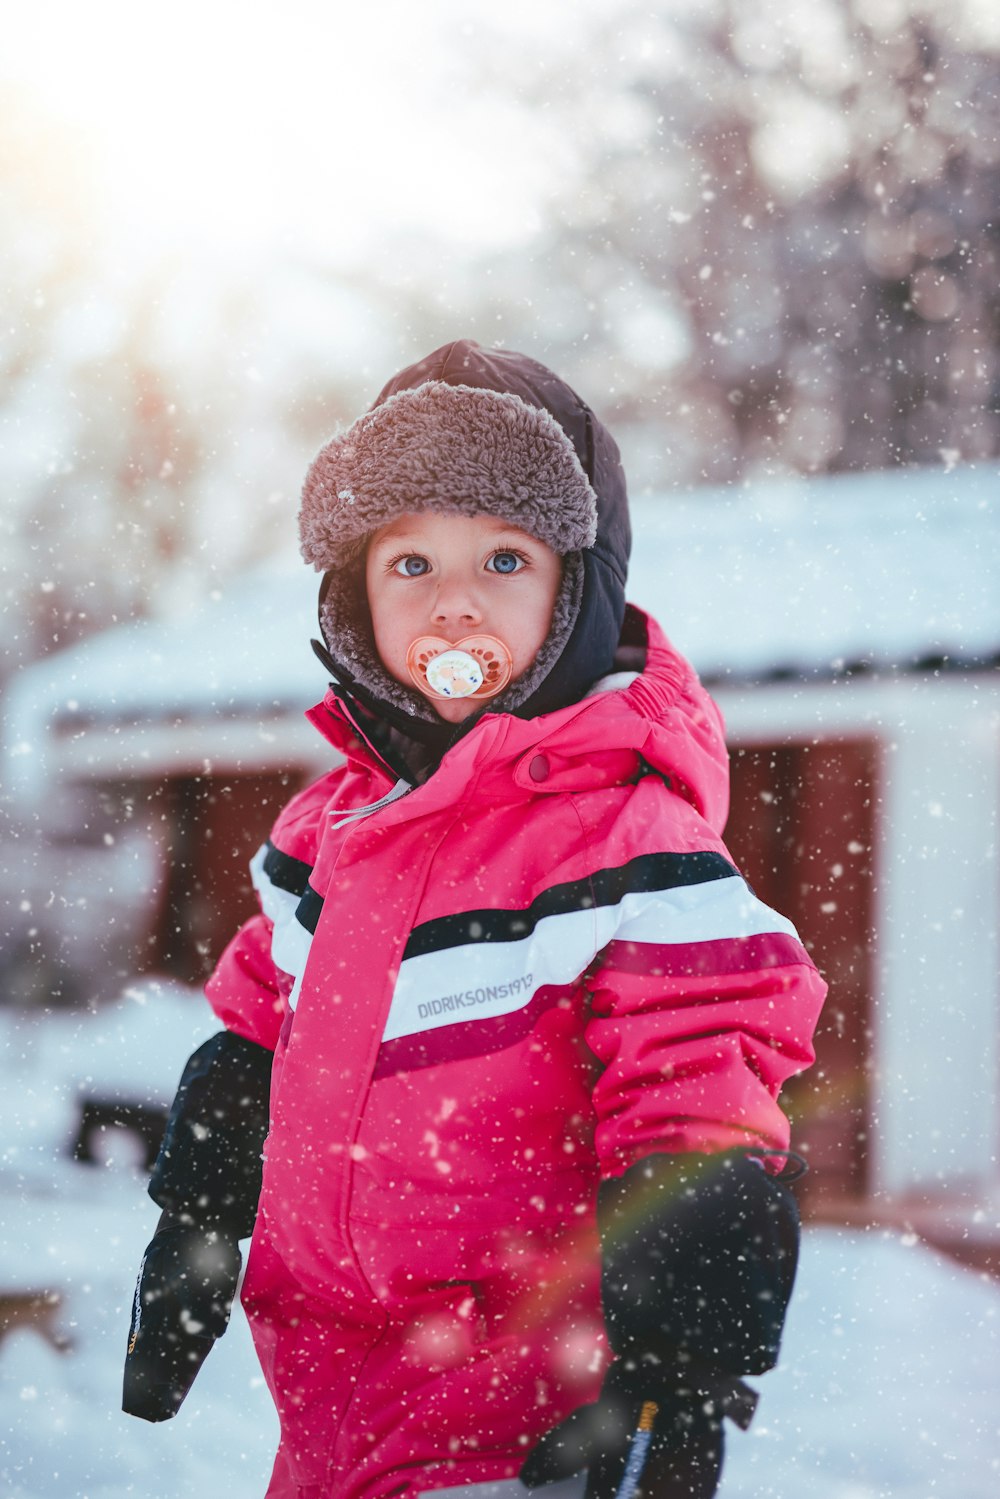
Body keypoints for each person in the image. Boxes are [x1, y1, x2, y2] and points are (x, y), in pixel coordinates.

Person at [122, 340, 827, 1498]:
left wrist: (677, 1372)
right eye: (409, 561)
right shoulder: (329, 831)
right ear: (351, 595)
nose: (452, 599)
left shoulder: (626, 843)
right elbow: (260, 1031)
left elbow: (698, 1096)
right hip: (334, 1401)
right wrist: (197, 1216)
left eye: (503, 555)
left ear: (577, 591)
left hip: (523, 1413)